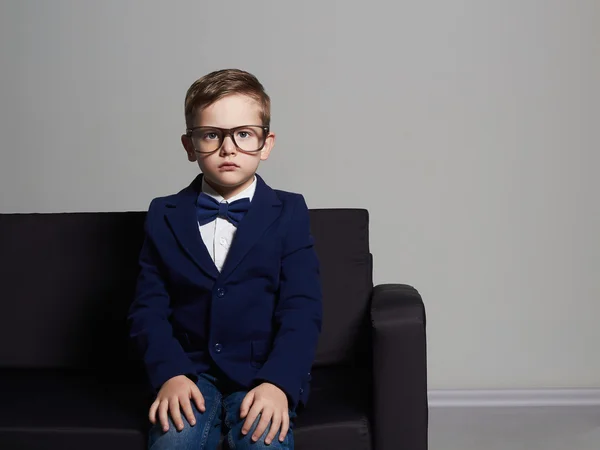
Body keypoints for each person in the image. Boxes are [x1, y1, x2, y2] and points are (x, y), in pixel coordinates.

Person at [127, 68, 322, 450]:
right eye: (212, 135)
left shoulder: (291, 211)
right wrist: (170, 374)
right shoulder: (163, 214)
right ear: (190, 145)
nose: (228, 148)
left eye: (244, 134)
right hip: (189, 373)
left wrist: (279, 383)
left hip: (261, 375)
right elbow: (147, 308)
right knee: (173, 443)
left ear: (266, 144)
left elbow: (302, 308)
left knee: (264, 444)